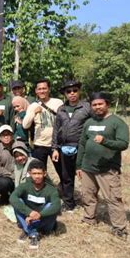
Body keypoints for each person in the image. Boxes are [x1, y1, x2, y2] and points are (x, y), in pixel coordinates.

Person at [76, 92, 129, 239]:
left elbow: (123, 144)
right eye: (94, 105)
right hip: (87, 167)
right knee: (88, 195)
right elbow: (82, 144)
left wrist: (105, 141)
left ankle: (119, 228)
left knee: (113, 198)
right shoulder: (89, 122)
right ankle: (89, 218)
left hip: (107, 169)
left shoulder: (117, 122)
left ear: (107, 104)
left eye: (100, 104)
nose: (97, 107)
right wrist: (78, 165)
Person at [51, 80, 92, 212]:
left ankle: (89, 205)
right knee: (66, 177)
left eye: (75, 90)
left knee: (86, 177)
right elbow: (56, 129)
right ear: (65, 94)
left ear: (79, 91)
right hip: (64, 147)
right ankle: (69, 204)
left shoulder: (87, 107)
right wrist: (55, 148)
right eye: (69, 91)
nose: (72, 93)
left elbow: (93, 126)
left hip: (81, 148)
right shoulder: (61, 109)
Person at [9, 159, 61, 249]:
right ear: (29, 173)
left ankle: (27, 231)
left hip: (44, 221)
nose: (37, 176)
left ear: (44, 174)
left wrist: (39, 215)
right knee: (18, 202)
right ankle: (33, 234)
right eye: (34, 173)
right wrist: (29, 212)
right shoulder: (24, 186)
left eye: (39, 173)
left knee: (50, 206)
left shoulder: (51, 189)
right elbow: (12, 198)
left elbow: (57, 206)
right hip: (28, 218)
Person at [22, 78, 63, 170]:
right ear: (36, 91)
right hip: (39, 144)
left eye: (44, 88)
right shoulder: (33, 106)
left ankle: (62, 184)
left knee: (62, 171)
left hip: (56, 144)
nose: (42, 91)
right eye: (39, 89)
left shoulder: (58, 103)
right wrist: (34, 113)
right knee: (39, 171)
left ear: (49, 89)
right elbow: (25, 125)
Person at [0, 125, 16, 205]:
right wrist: (11, 175)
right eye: (4, 135)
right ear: (0, 137)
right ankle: (5, 196)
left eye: (8, 134)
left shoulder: (18, 145)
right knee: (3, 182)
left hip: (19, 176)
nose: (6, 137)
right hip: (5, 177)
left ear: (12, 135)